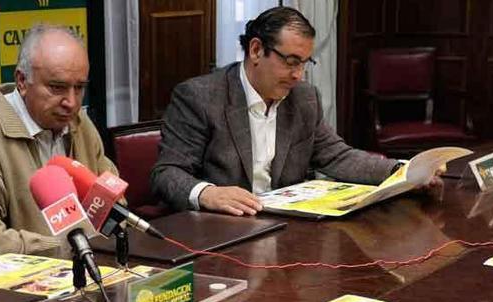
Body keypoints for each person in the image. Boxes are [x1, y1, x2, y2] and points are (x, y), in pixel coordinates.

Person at [151, 7, 412, 216]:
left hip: (286, 227)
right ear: (256, 50)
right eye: (291, 62)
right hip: (222, 229)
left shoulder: (304, 98)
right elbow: (167, 173)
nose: (298, 75)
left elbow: (336, 156)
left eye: (305, 63)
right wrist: (207, 193)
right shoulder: (200, 97)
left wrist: (401, 171)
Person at [0, 24, 119, 256]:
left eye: (79, 88)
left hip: (91, 266)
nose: (72, 102)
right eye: (57, 87)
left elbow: (111, 193)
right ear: (22, 81)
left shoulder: (79, 122)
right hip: (28, 285)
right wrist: (58, 247)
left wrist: (106, 234)